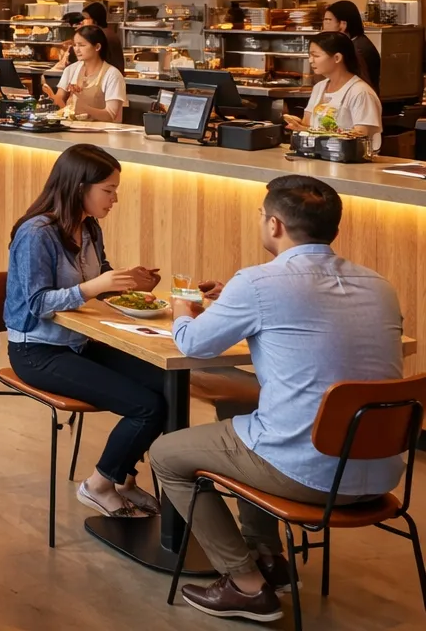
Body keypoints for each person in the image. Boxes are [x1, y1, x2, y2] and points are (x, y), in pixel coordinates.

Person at [153, 176, 403, 623]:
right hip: (381, 470)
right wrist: (232, 303)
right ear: (333, 231)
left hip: (310, 473)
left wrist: (182, 308)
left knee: (166, 455)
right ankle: (269, 558)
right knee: (242, 411)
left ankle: (245, 584)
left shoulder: (257, 283)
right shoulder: (379, 285)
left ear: (273, 224)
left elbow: (192, 343)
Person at [5, 145, 166, 518]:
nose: (114, 198)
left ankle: (123, 476)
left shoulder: (89, 227)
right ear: (80, 187)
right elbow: (36, 304)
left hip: (78, 343)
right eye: (108, 190)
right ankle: (97, 485)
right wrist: (95, 287)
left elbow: (99, 277)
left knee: (165, 384)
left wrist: (129, 282)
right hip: (36, 350)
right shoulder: (36, 233)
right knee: (147, 406)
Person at [283, 32, 382, 154]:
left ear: (337, 58)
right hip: (322, 157)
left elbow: (360, 137)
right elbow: (308, 125)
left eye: (316, 56)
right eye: (310, 55)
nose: (310, 60)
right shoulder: (319, 88)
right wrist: (299, 127)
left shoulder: (361, 92)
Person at [46, 25, 128, 121]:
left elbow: (110, 115)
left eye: (82, 45)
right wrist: (52, 97)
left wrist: (85, 109)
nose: (76, 49)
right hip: (72, 129)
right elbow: (60, 100)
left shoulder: (112, 75)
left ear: (97, 47)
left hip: (102, 132)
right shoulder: (71, 70)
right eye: (75, 45)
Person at [322, 0, 380, 94]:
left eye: (328, 20)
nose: (324, 25)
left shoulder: (357, 49)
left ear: (343, 25)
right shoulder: (355, 42)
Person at [80, 1, 125, 71]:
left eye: (85, 18)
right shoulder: (108, 32)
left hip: (108, 77)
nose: (82, 21)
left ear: (95, 19)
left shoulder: (101, 35)